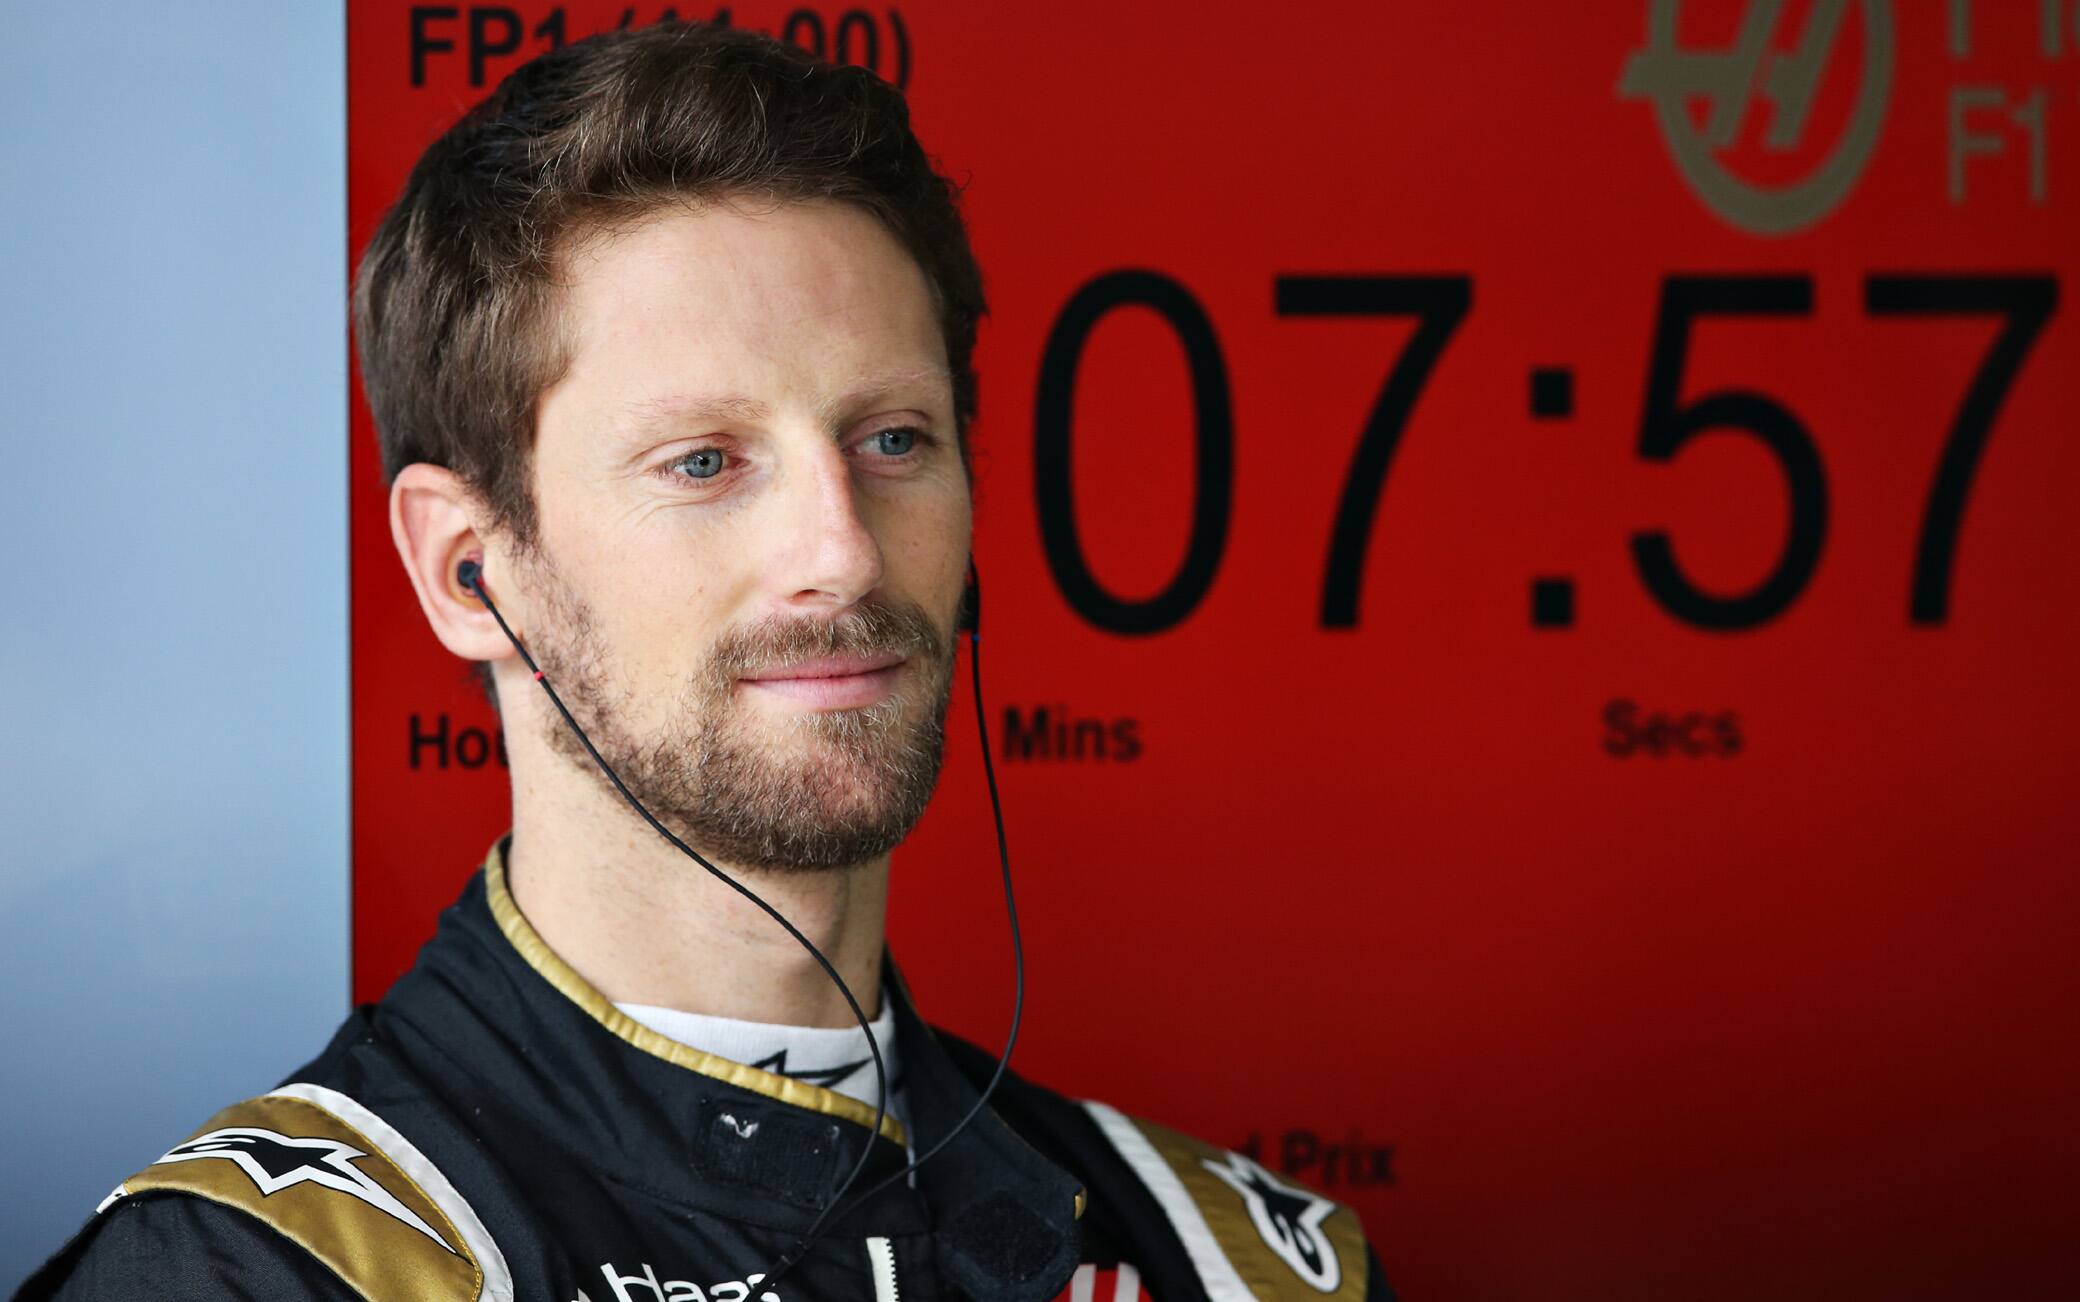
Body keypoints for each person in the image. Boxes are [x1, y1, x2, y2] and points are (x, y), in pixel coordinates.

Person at [19, 22, 1392, 1302]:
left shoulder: (1236, 1262)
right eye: (704, 461)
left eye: (894, 439)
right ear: (466, 568)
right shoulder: (266, 1273)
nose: (844, 553)